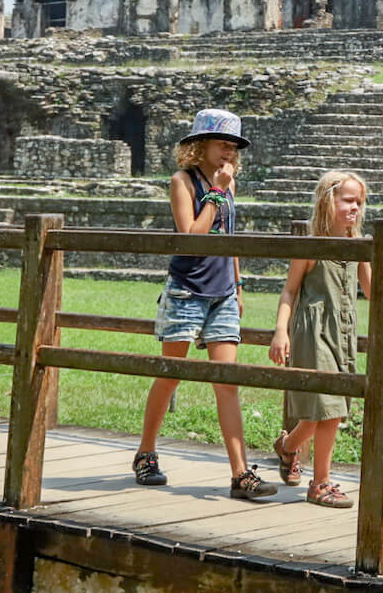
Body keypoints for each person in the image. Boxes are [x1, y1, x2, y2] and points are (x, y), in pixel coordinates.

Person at [132, 108, 277, 501]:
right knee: (171, 374)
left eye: (233, 147)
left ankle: (240, 473)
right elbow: (192, 236)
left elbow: (228, 238)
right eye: (222, 144)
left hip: (223, 293)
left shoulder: (227, 186)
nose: (228, 153)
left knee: (226, 382)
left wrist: (239, 283)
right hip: (187, 291)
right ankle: (146, 453)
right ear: (200, 146)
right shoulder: (183, 181)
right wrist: (215, 191)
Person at [268, 170, 372, 508]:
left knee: (323, 411)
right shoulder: (310, 243)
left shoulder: (359, 247)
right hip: (313, 333)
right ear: (328, 200)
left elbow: (373, 291)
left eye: (360, 202)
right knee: (329, 410)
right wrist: (280, 331)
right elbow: (290, 290)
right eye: (348, 200)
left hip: (343, 334)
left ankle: (287, 447)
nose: (355, 208)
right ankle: (321, 483)